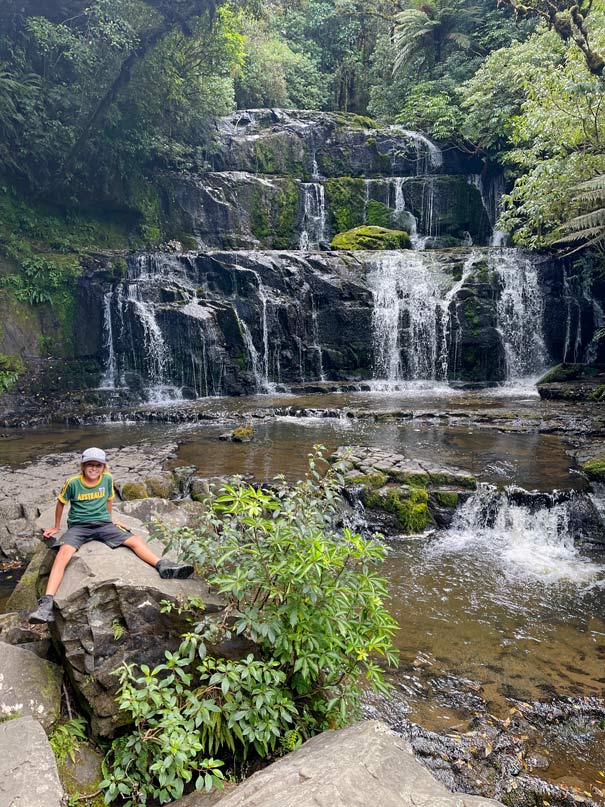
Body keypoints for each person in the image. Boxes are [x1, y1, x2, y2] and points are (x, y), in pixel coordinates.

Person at [28, 447, 193, 624]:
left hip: (103, 523)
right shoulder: (73, 483)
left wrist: (111, 520)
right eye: (90, 465)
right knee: (62, 554)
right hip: (79, 526)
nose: (94, 468)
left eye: (98, 465)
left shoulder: (107, 479)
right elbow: (61, 503)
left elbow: (108, 500)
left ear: (103, 467)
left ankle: (162, 566)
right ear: (83, 466)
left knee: (135, 540)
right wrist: (55, 526)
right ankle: (46, 604)